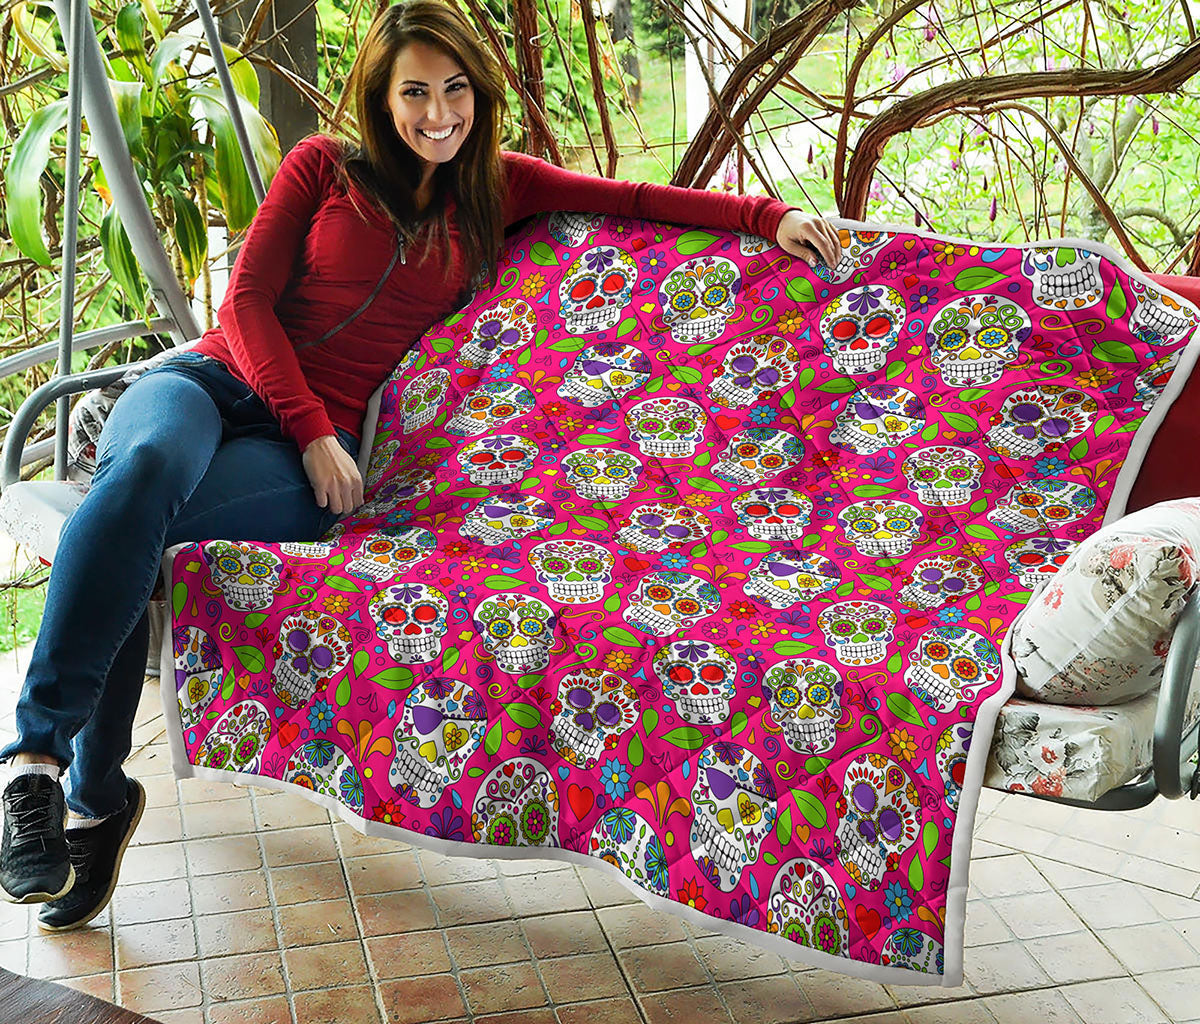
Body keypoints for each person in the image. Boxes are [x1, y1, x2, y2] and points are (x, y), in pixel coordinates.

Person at [0, 0, 839, 930]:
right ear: (380, 96)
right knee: (146, 471)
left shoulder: (496, 189)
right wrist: (312, 427)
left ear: (478, 93)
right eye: (414, 93)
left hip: (298, 463)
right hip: (210, 385)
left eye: (455, 90)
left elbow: (633, 198)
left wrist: (767, 215)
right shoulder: (323, 165)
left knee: (128, 527)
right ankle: (39, 770)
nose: (439, 113)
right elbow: (245, 302)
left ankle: (92, 798)